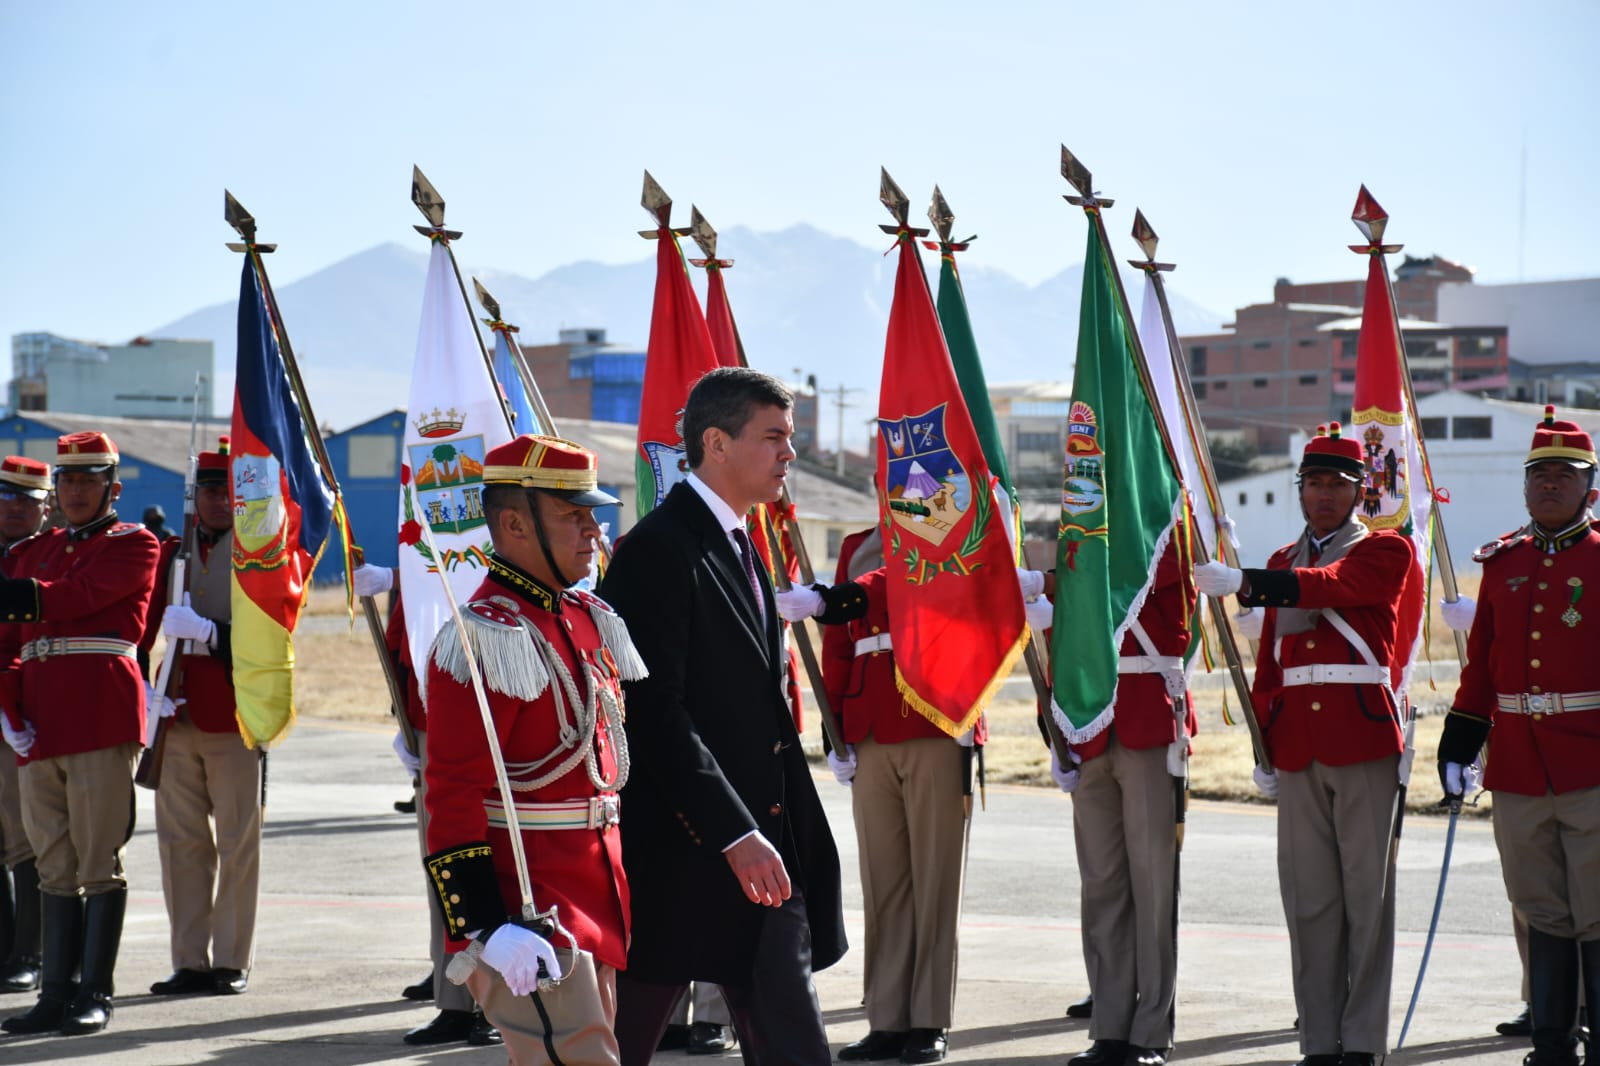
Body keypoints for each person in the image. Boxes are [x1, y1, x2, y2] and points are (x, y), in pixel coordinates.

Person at [599, 366, 847, 1066]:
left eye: (789, 437)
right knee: (619, 1042)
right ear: (716, 442)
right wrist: (732, 831)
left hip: (761, 854)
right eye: (773, 438)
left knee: (792, 1040)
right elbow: (651, 710)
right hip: (687, 851)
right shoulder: (656, 551)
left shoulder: (739, 540)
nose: (789, 454)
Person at [1195, 423, 1415, 1066]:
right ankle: (1319, 1040)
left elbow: (1333, 586)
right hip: (1298, 746)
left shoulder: (1384, 550)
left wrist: (1243, 582)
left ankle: (1363, 1040)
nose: (1324, 496)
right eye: (1314, 484)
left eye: (1337, 486)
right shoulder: (1284, 561)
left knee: (1366, 901)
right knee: (1310, 901)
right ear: (1301, 489)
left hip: (1361, 737)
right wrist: (1265, 745)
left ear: (1358, 493)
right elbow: (1271, 662)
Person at [422, 433, 638, 1064]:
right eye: (574, 516)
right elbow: (453, 791)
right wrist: (484, 926)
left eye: (593, 515)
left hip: (596, 892)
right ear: (514, 524)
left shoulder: (583, 616)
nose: (593, 531)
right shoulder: (486, 635)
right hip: (529, 903)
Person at [1437, 407, 1600, 1066]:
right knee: (1542, 909)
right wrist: (1457, 746)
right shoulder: (1502, 564)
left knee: (1596, 911)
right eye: (1540, 476)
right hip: (1519, 770)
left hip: (1591, 762)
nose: (1551, 486)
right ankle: (1552, 1045)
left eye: (1566, 476)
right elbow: (1481, 671)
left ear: (1590, 486)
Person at [0, 432, 160, 1036]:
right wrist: (10, 710)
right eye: (66, 481)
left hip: (97, 712)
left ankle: (96, 992)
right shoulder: (37, 552)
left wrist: (12, 595)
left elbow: (81, 597)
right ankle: (54, 993)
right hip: (41, 722)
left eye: (87, 481)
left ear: (112, 488)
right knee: (51, 862)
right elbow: (12, 647)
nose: (73, 491)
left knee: (98, 859)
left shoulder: (133, 543)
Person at [790, 523, 968, 1065]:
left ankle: (930, 1018)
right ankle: (888, 1017)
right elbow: (841, 644)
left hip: (935, 718)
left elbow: (905, 583)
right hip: (869, 722)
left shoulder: (955, 533)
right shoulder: (856, 543)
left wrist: (831, 599)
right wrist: (835, 725)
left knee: (934, 882)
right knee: (884, 881)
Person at [1049, 540, 1196, 1066]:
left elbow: (1130, 582)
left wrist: (1052, 585)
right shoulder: (1084, 534)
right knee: (1103, 884)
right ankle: (1109, 1027)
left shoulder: (1162, 531)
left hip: (1149, 722)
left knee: (1154, 885)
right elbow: (1067, 639)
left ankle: (1152, 1030)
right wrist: (1057, 729)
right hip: (1091, 728)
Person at [138, 438, 262, 999]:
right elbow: (142, 630)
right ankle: (189, 959)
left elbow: (273, 640)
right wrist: (145, 687)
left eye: (229, 492)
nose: (219, 502)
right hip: (177, 712)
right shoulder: (173, 552)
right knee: (180, 842)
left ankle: (230, 959)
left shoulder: (259, 556)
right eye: (210, 491)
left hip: (235, 713)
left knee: (238, 840)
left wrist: (214, 635)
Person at [366, 570, 500, 1048]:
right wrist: (406, 723)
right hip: (431, 724)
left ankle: (494, 1003)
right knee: (443, 869)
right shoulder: (422, 561)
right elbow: (403, 647)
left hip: (500, 728)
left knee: (497, 870)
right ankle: (455, 999)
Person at [0, 457, 52, 994]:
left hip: (22, 712)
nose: (15, 507)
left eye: (27, 500)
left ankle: (29, 954)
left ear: (45, 506)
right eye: (7, 496)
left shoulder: (52, 555)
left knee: (26, 839)